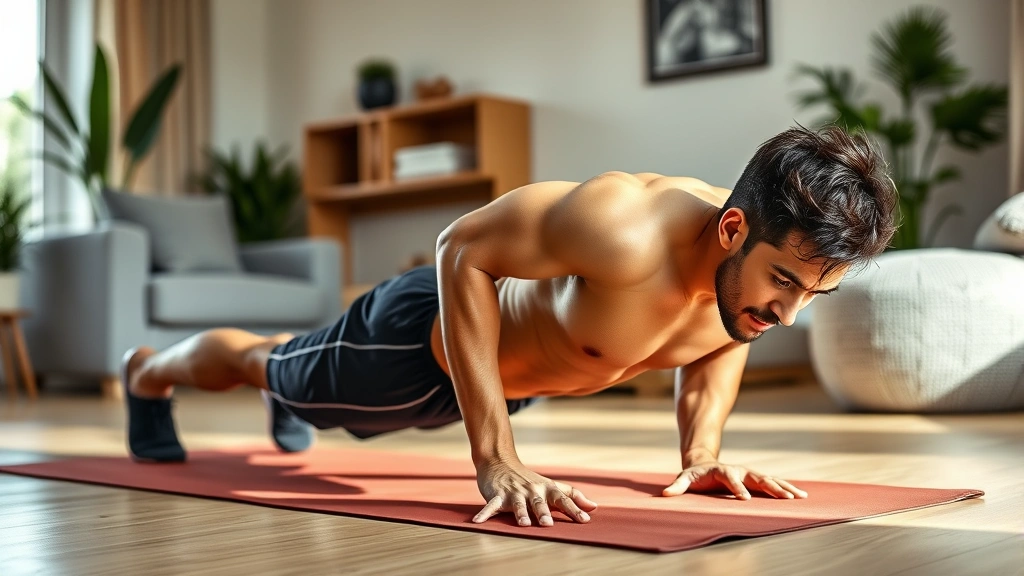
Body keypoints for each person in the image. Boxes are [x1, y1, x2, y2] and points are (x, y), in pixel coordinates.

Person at [121, 125, 898, 529]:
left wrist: (702, 454)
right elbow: (459, 245)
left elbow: (719, 339)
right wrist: (495, 459)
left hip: (504, 382)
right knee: (270, 363)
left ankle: (284, 396)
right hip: (410, 346)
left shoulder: (742, 291)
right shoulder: (621, 224)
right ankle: (147, 371)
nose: (787, 314)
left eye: (812, 296)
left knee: (299, 390)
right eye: (784, 283)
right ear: (732, 228)